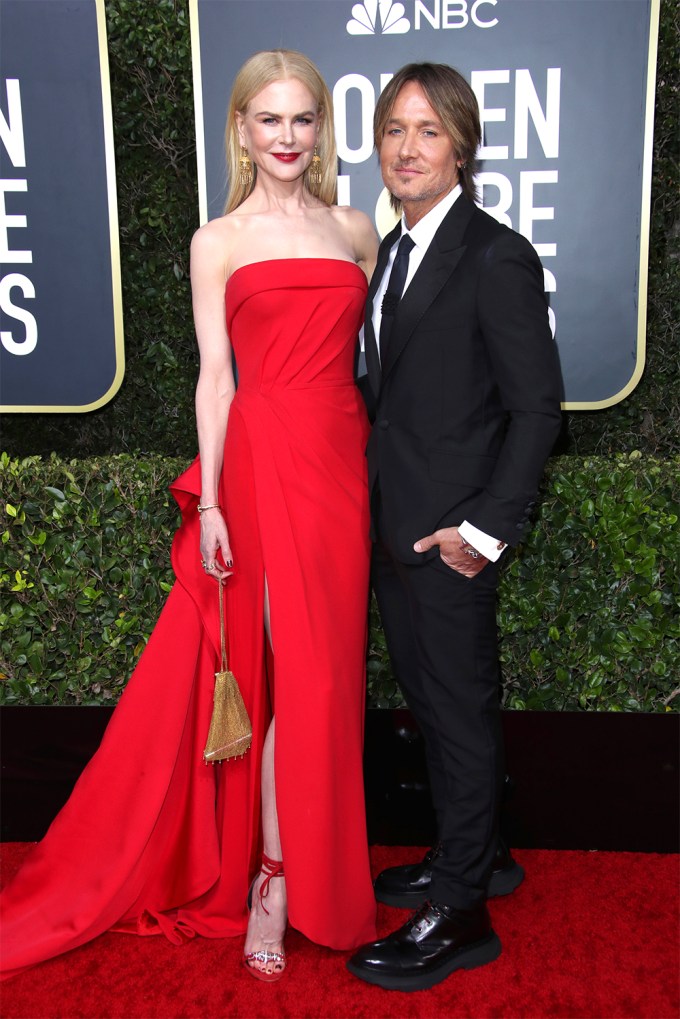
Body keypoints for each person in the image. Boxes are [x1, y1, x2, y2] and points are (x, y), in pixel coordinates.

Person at [1, 49, 378, 984]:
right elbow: (215, 379)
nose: (286, 138)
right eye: (269, 120)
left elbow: (378, 359)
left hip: (340, 463)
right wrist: (209, 497)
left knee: (326, 678)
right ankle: (273, 881)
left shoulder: (357, 229)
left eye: (302, 120)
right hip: (257, 464)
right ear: (242, 130)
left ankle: (306, 870)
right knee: (271, 673)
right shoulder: (219, 240)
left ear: (319, 128)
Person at [348, 63, 563, 992]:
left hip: (450, 541)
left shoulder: (494, 254)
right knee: (434, 710)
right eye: (394, 130)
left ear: (463, 147)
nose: (406, 148)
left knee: (461, 716)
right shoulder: (391, 255)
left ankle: (463, 912)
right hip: (393, 530)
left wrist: (484, 529)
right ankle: (475, 857)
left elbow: (538, 410)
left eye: (428, 131)